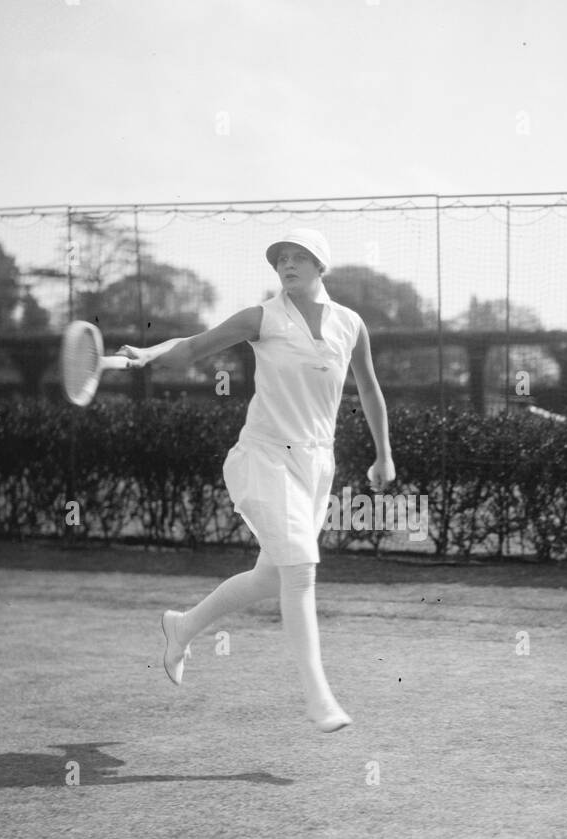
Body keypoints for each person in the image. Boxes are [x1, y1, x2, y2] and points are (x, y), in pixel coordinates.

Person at [120, 229, 395, 732]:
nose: (287, 265)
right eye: (280, 260)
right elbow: (194, 346)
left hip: (317, 466)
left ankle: (182, 626)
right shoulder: (261, 318)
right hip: (263, 459)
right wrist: (149, 353)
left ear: (320, 265)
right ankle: (319, 700)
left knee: (273, 576)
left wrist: (384, 455)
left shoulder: (350, 325)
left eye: (298, 258)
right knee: (301, 569)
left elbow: (371, 390)